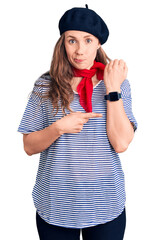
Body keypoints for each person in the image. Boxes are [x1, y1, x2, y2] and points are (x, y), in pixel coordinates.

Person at [17, 5, 138, 240]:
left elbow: (122, 143)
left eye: (88, 40)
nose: (80, 50)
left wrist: (112, 90)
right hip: (56, 202)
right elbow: (29, 146)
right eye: (72, 40)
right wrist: (58, 128)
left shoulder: (118, 83)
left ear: (98, 44)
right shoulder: (45, 85)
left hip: (105, 202)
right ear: (62, 43)